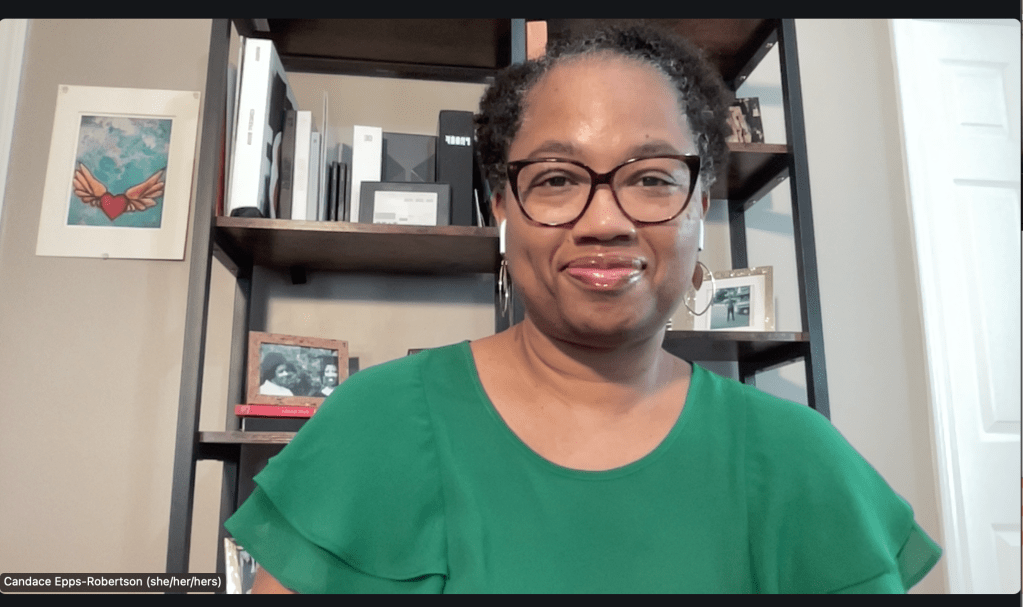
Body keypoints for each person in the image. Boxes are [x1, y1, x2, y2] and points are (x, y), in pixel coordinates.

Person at [226, 22, 941, 593]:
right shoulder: (371, 423)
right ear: (503, 208)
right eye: (560, 177)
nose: (605, 221)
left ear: (700, 205)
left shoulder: (798, 458)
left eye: (653, 176)